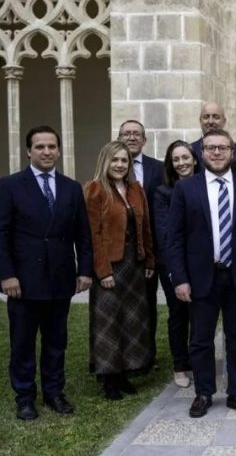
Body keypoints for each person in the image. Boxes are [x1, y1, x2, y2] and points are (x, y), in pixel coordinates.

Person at [0, 125, 93, 420]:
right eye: (40, 147)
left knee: (56, 341)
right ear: (28, 151)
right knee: (22, 342)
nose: (46, 152)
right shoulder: (10, 185)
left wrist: (85, 270)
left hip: (60, 277)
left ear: (58, 150)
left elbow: (83, 234)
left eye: (51, 147)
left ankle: (54, 392)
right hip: (22, 280)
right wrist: (6, 275)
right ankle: (24, 397)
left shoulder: (71, 188)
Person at [166, 129, 236, 418]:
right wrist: (180, 278)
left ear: (232, 153)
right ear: (202, 153)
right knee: (200, 339)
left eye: (223, 147)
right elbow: (174, 238)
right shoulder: (186, 189)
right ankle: (203, 393)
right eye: (211, 147)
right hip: (201, 277)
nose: (216, 152)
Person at [85, 141, 155, 400]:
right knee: (108, 322)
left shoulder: (136, 189)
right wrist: (102, 271)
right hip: (110, 266)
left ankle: (125, 372)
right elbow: (93, 235)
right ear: (105, 161)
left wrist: (149, 260)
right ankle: (109, 378)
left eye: (124, 160)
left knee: (132, 321)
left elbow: (145, 228)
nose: (119, 165)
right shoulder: (94, 190)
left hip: (134, 265)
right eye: (114, 160)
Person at [118, 120, 164, 371]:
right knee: (121, 305)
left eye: (137, 134)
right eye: (127, 133)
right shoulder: (111, 168)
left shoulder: (158, 168)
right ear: (119, 138)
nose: (132, 137)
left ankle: (147, 357)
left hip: (150, 249)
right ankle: (122, 356)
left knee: (147, 304)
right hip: (120, 252)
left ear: (144, 140)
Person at [153, 140, 198, 388]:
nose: (182, 163)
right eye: (176, 159)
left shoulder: (204, 186)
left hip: (201, 263)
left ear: (194, 159)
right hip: (174, 262)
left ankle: (197, 360)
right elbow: (164, 234)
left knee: (200, 313)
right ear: (170, 164)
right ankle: (180, 366)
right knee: (179, 314)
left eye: (185, 157)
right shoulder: (163, 193)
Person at [190, 102, 236, 173]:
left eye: (216, 117)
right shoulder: (190, 151)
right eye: (206, 117)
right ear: (200, 121)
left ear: (224, 121)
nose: (210, 121)